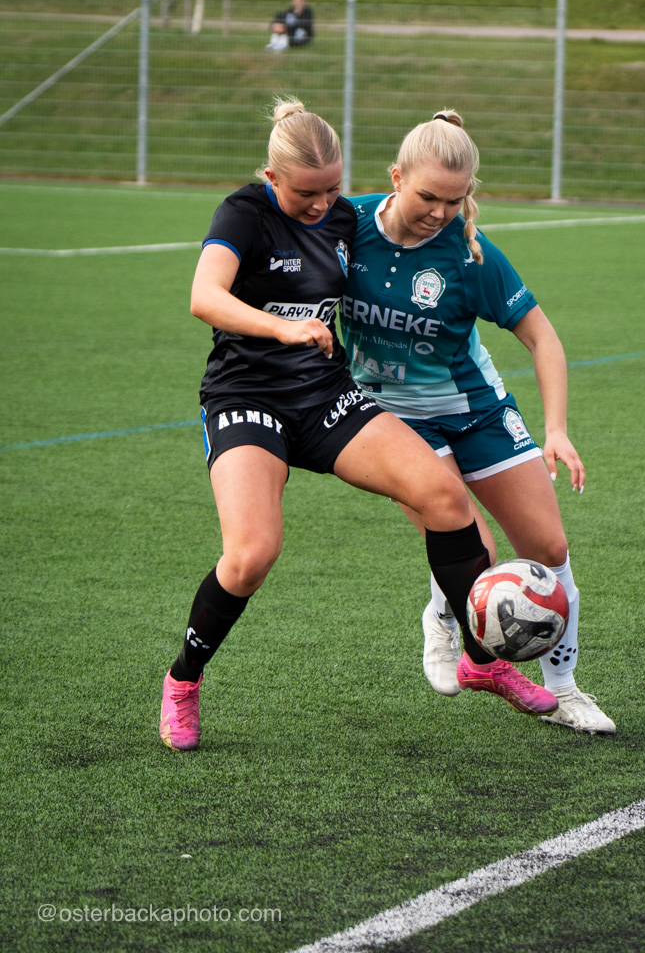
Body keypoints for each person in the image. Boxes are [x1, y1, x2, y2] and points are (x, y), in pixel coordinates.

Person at [159, 99, 561, 751]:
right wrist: (282, 327)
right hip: (246, 398)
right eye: (306, 194)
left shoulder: (345, 217)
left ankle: (479, 659)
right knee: (251, 554)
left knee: (444, 497)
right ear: (272, 177)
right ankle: (183, 679)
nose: (322, 205)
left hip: (325, 396)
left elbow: (403, 223)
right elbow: (204, 297)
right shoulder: (244, 212)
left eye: (333, 190)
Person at [341, 109, 616, 735]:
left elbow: (543, 338)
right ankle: (445, 617)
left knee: (549, 549)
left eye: (455, 200)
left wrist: (556, 429)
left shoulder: (471, 254)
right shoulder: (344, 225)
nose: (441, 212)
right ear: (395, 177)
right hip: (391, 420)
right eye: (428, 197)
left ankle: (564, 689)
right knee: (478, 550)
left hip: (477, 410)